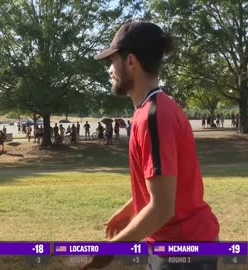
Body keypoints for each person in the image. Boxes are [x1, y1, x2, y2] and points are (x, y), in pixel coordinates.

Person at [83, 21, 219, 270]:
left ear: (131, 62)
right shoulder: (154, 109)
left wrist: (106, 254)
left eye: (112, 62)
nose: (110, 71)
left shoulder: (154, 116)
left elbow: (162, 208)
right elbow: (165, 186)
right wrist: (130, 209)